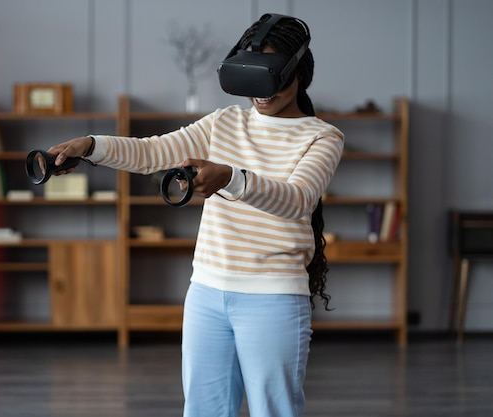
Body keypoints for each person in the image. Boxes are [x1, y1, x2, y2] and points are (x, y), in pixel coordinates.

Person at [48, 13, 344, 417]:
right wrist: (91, 145)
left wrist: (231, 178)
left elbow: (297, 201)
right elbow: (152, 151)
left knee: (273, 411)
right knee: (203, 410)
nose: (259, 92)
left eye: (268, 76)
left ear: (299, 71)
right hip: (206, 292)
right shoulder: (224, 122)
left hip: (273, 297)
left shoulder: (322, 137)